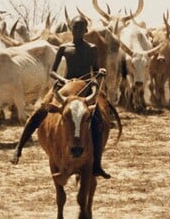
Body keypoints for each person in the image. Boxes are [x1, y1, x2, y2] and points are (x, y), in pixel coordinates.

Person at [10, 16, 111, 179]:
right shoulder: (64, 48)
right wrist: (65, 80)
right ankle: (19, 147)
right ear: (70, 29)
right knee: (40, 112)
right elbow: (53, 72)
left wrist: (100, 73)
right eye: (75, 27)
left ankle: (97, 164)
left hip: (84, 89)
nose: (78, 31)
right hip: (64, 88)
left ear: (86, 30)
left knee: (98, 121)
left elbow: (95, 70)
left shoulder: (92, 48)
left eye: (81, 28)